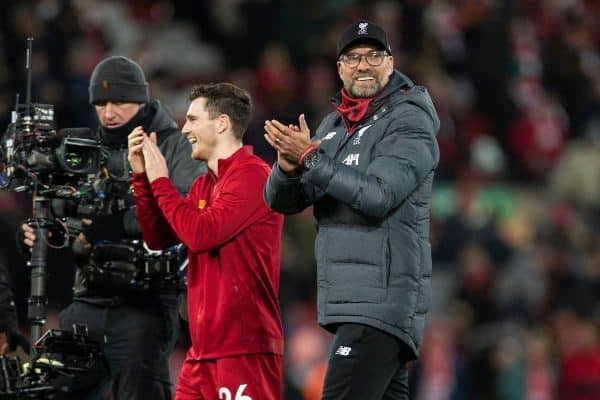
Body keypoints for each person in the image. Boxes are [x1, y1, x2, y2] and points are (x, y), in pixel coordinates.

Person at [263, 20, 440, 399]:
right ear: (340, 68)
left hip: (380, 304)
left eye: (374, 56)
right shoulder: (333, 126)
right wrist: (288, 169)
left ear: (390, 63)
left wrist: (310, 157)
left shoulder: (409, 118)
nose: (364, 65)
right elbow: (283, 201)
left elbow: (378, 196)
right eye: (353, 58)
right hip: (354, 304)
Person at [21, 55, 206, 399]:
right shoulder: (83, 148)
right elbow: (63, 215)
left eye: (118, 101)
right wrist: (42, 235)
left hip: (145, 302)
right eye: (100, 103)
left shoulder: (174, 144)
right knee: (49, 390)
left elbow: (187, 211)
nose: (108, 112)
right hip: (87, 296)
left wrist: (121, 222)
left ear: (142, 99)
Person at [128, 82, 284, 399]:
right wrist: (143, 179)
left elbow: (201, 235)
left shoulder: (255, 175)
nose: (185, 130)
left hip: (244, 351)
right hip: (202, 354)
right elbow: (158, 237)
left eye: (193, 119)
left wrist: (161, 180)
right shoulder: (202, 186)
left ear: (222, 122)